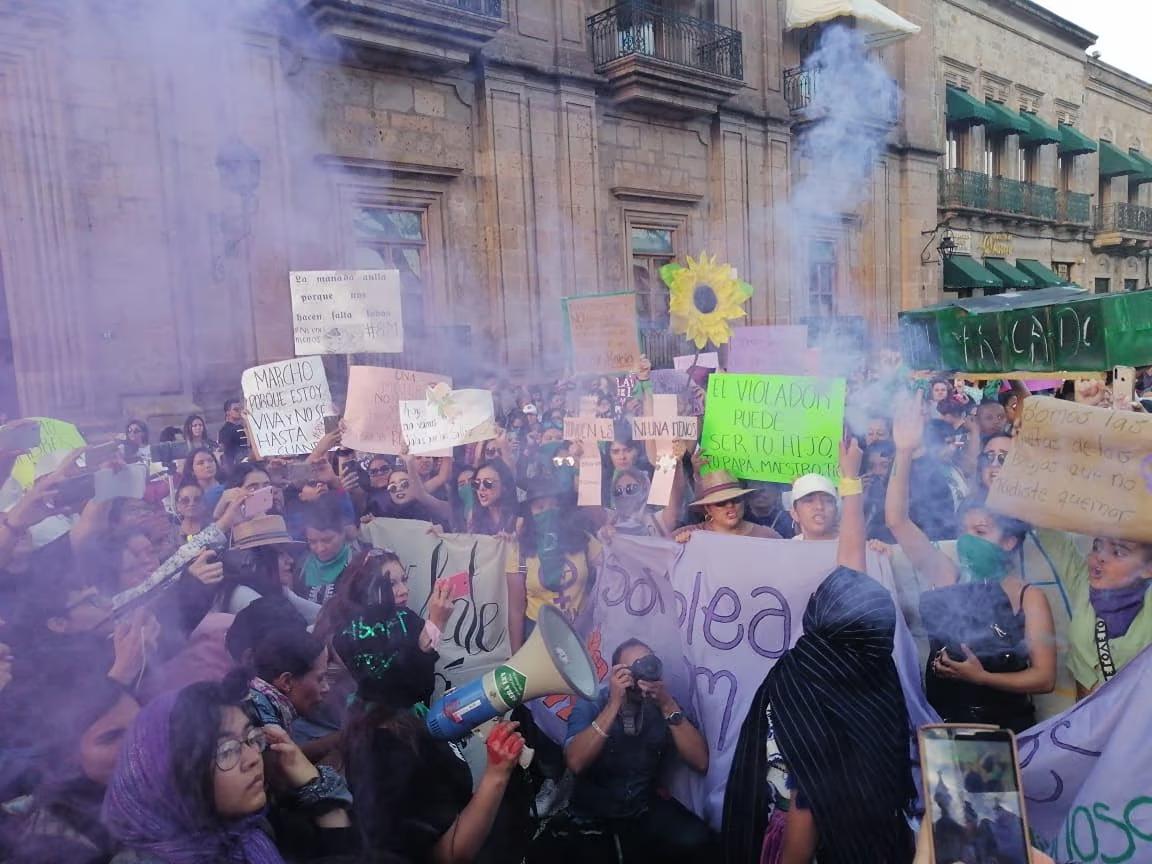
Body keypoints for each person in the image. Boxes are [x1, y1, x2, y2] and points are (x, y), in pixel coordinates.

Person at [726, 438, 916, 864]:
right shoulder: (876, 667)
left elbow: (805, 793)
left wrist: (849, 482)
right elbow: (852, 574)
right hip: (874, 842)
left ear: (817, 615)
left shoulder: (796, 674)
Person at [887, 396, 1056, 732]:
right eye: (963, 530)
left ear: (1009, 541)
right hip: (942, 731)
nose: (967, 540)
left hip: (1005, 734)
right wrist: (904, 452)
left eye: (980, 531)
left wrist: (984, 677)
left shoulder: (1028, 598)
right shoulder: (946, 574)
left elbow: (1044, 676)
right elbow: (897, 521)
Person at [336, 603, 529, 864]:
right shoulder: (386, 759)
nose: (431, 652)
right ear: (400, 669)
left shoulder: (390, 711)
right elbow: (447, 855)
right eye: (423, 644)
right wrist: (496, 774)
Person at [102, 677, 355, 864]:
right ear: (169, 776)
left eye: (251, 738)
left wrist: (314, 786)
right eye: (226, 751)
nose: (253, 758)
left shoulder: (249, 830)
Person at [541, 638, 711, 863]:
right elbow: (575, 761)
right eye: (633, 669)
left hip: (639, 809)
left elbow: (701, 761)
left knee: (698, 839)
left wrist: (668, 705)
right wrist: (614, 704)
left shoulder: (661, 704)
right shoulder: (593, 702)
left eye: (647, 665)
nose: (641, 675)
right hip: (591, 817)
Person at [506, 462, 599, 651]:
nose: (547, 512)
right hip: (539, 638)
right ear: (530, 513)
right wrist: (517, 655)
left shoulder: (584, 540)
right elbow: (516, 610)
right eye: (540, 507)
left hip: (581, 634)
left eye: (553, 506)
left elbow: (614, 567)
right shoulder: (519, 550)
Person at [246, 628, 335, 763]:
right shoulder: (261, 720)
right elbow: (283, 772)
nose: (326, 688)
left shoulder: (260, 701)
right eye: (320, 678)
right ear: (286, 682)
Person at [675, 469, 782, 541]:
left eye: (736, 499)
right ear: (708, 509)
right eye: (721, 503)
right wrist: (679, 547)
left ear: (744, 501)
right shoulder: (689, 535)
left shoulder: (768, 536)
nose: (730, 506)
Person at [298, 497, 356, 606]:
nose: (320, 549)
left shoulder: (359, 564)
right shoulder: (302, 566)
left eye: (327, 540)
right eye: (312, 542)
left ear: (343, 533)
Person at [788, 474, 839, 542]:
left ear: (836, 511)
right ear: (794, 513)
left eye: (827, 500)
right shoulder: (789, 547)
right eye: (809, 501)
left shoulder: (851, 546)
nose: (819, 506)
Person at [218, 399, 250, 470]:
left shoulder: (243, 427)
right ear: (228, 413)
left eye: (240, 409)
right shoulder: (224, 430)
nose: (239, 412)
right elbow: (225, 451)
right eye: (236, 410)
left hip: (248, 462)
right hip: (236, 466)